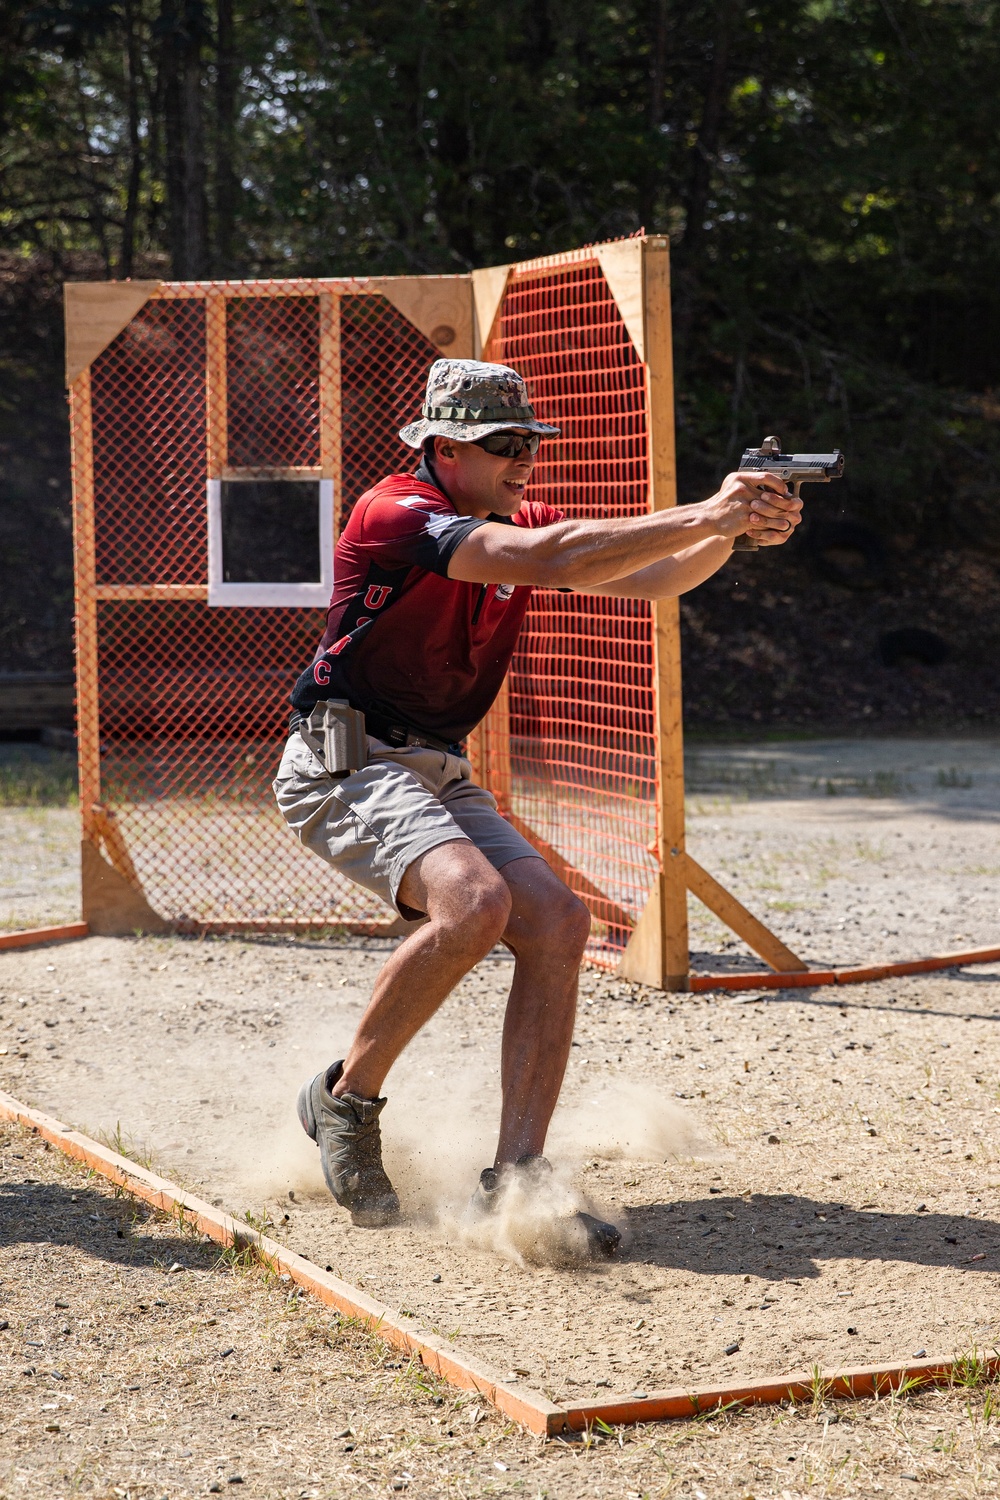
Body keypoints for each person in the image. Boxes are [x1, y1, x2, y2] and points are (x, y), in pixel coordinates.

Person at [273, 358, 801, 1258]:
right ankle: (344, 1102)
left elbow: (657, 575)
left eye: (529, 442)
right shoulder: (396, 511)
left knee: (556, 921)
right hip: (343, 758)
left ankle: (517, 1176)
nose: (524, 460)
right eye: (501, 445)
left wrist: (737, 531)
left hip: (432, 762)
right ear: (443, 448)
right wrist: (709, 511)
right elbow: (551, 557)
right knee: (476, 905)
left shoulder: (515, 520)